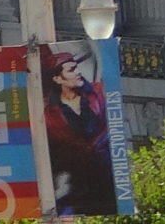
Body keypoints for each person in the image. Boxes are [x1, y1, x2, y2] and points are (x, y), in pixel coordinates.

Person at [40, 44, 120, 216]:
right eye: (71, 70)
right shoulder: (49, 114)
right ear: (58, 79)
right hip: (74, 189)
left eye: (76, 68)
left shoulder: (97, 94)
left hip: (107, 183)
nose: (77, 72)